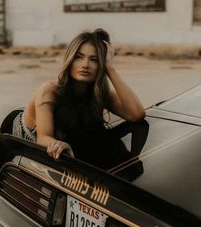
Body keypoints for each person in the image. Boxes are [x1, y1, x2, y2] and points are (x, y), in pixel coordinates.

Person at [12, 28, 145, 165]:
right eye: (78, 57)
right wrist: (58, 144)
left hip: (67, 131)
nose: (85, 65)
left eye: (94, 60)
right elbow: (43, 137)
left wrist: (110, 69)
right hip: (28, 135)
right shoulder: (49, 91)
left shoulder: (99, 92)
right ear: (70, 60)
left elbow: (136, 114)